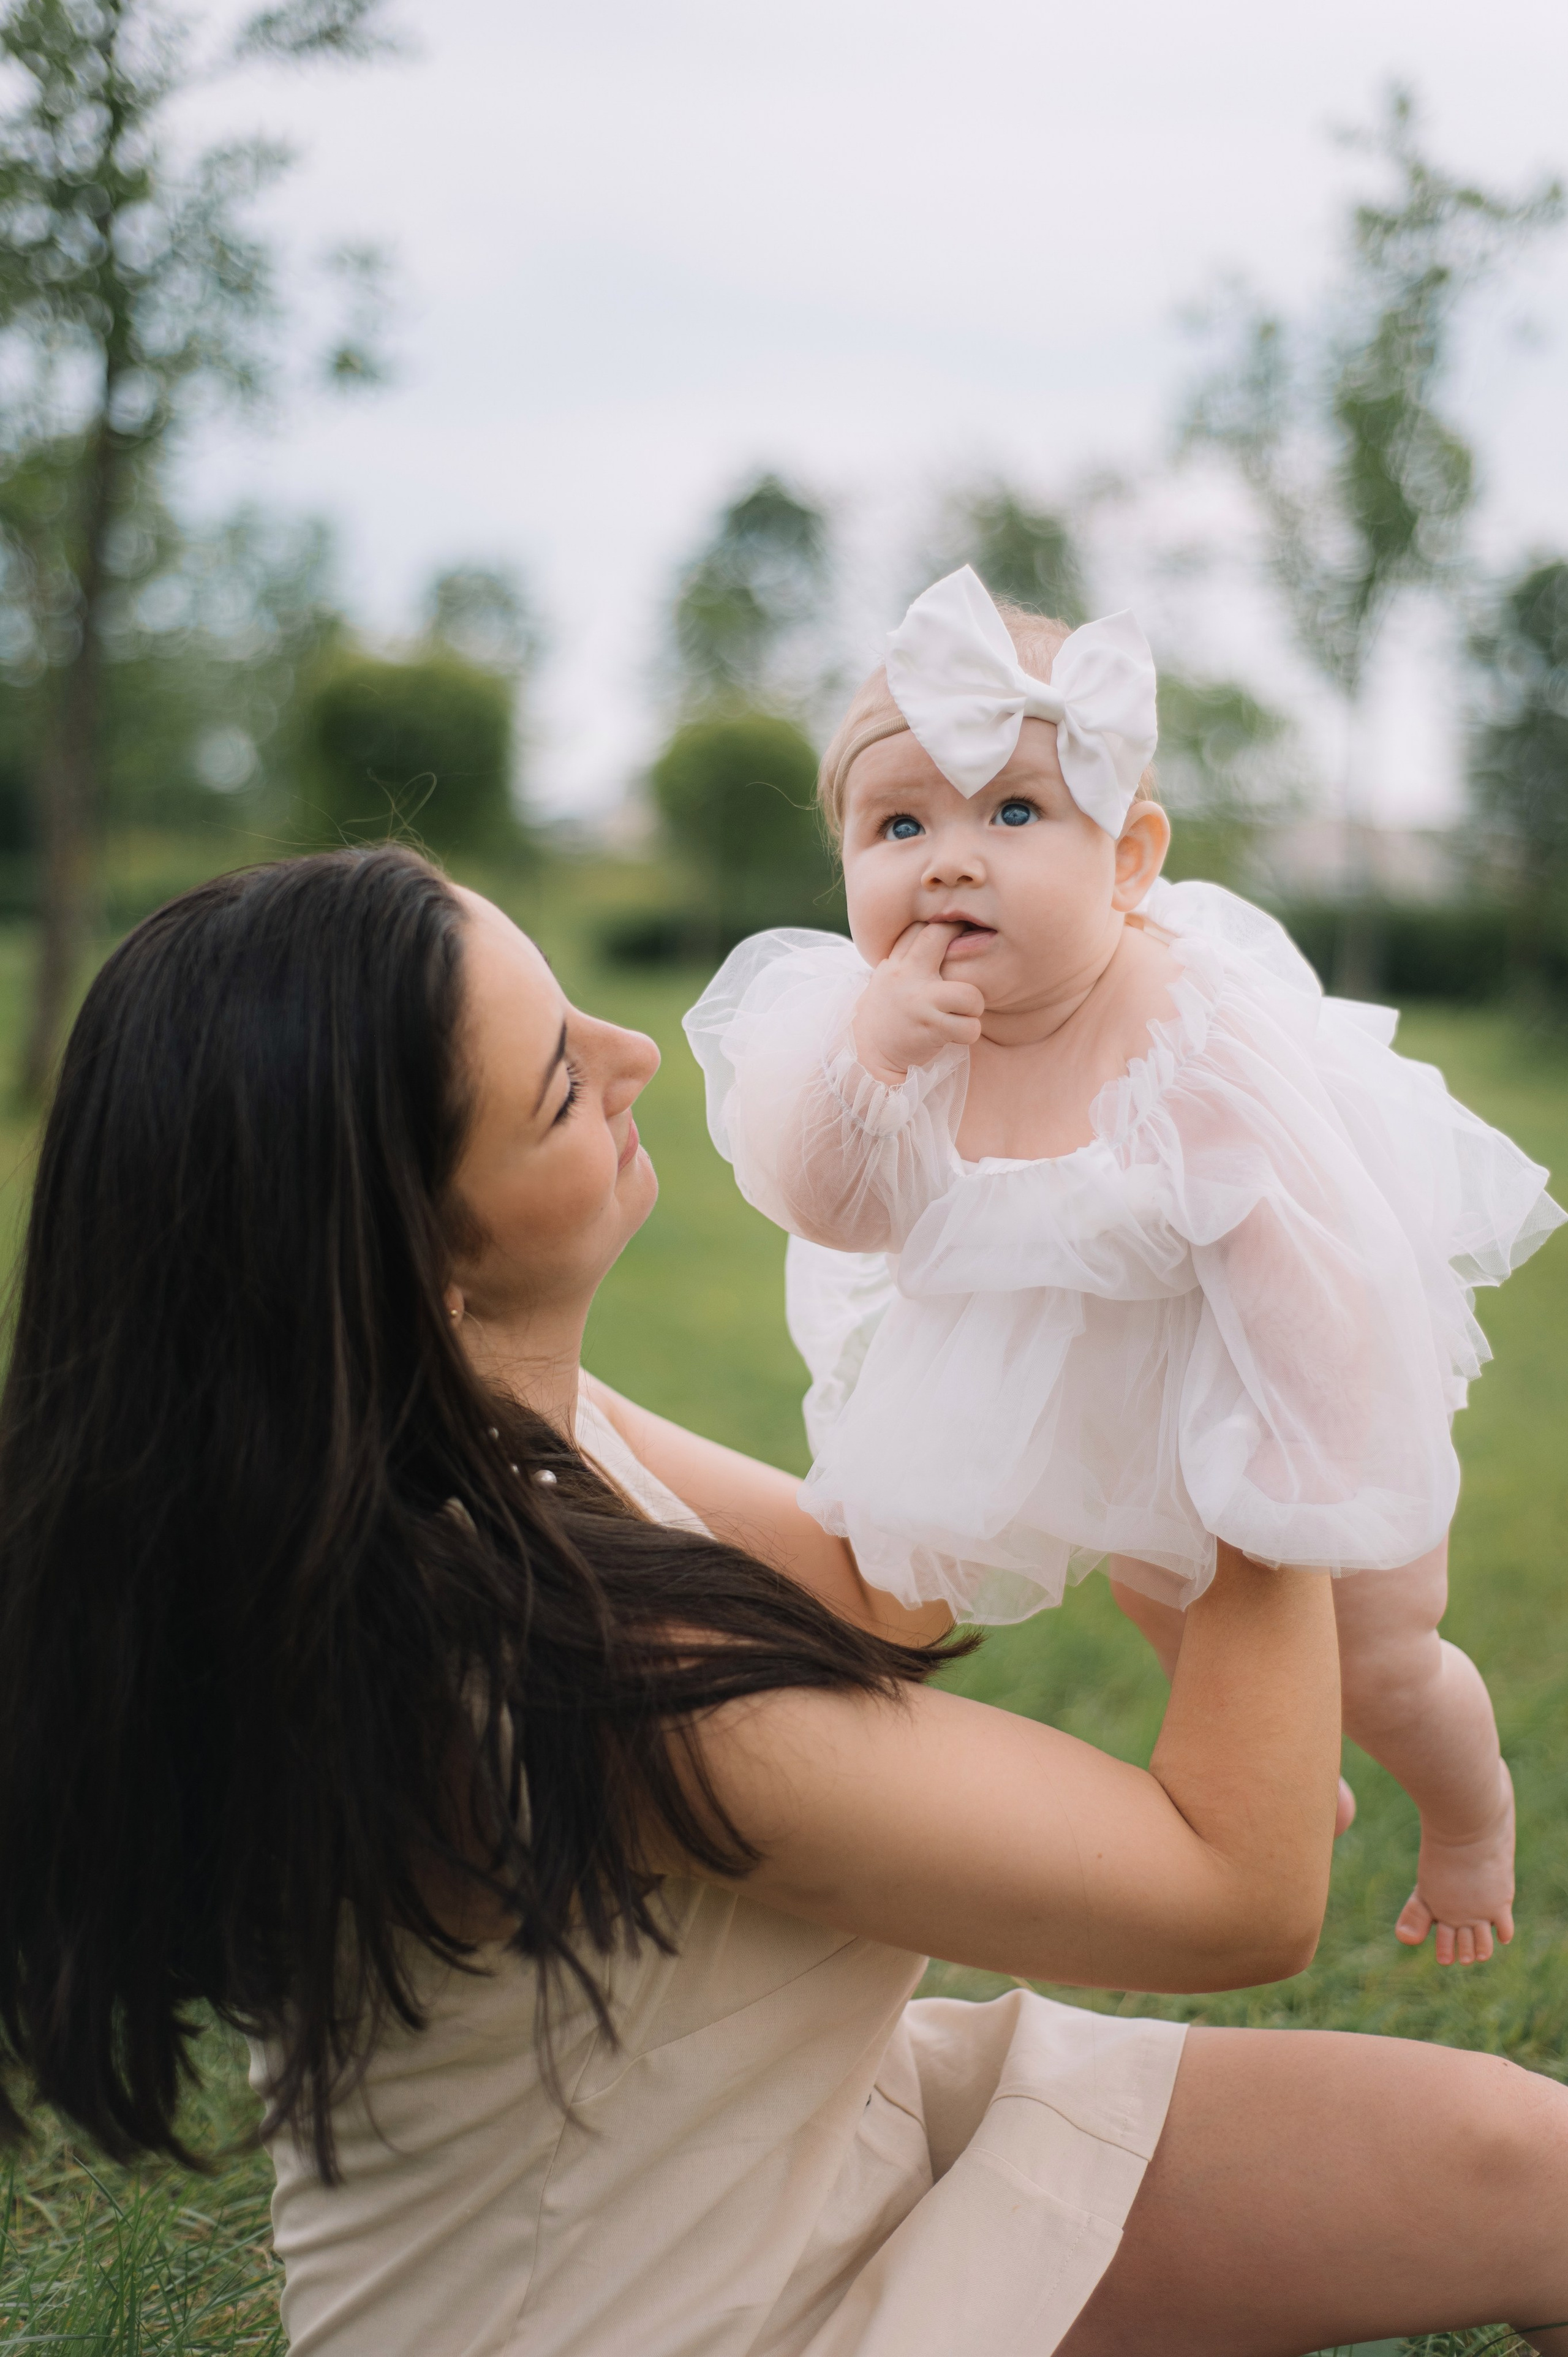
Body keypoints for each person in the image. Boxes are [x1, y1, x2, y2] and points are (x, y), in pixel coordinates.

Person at [0, 843, 1565, 2357]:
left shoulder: (462, 1437)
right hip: (680, 2312)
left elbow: (878, 1591)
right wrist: (1283, 1342)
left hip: (801, 2133)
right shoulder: (560, 1662)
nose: (632, 1055)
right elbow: (1240, 1889)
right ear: (423, 1264)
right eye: (558, 1081)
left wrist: (1060, 1197)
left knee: (1534, 2168)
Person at [684, 565, 1564, 1970]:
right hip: (1111, 1391)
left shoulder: (1188, 1037)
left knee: (1384, 1658)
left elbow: (1314, 1266)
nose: (949, 858)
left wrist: (1299, 1482)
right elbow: (835, 1211)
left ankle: (1468, 1816)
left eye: (1013, 813)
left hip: (1293, 1383)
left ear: (1130, 856)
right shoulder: (879, 1027)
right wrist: (876, 1061)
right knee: (1166, 1600)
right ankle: (1279, 1762)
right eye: (897, 823)